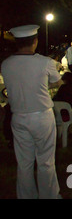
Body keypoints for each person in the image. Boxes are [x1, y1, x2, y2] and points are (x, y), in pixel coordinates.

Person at [1, 25, 63, 198]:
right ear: (34, 42)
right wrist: (45, 85)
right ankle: (49, 195)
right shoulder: (45, 62)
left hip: (18, 116)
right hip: (42, 116)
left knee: (24, 163)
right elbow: (58, 83)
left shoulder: (6, 64)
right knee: (45, 161)